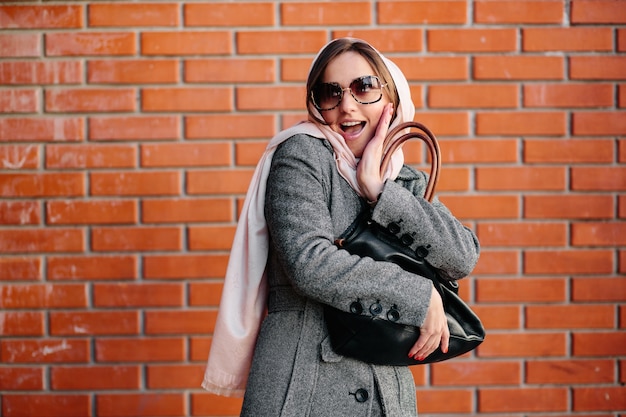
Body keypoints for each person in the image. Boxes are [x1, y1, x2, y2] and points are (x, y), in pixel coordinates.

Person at [202, 37, 480, 416]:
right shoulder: (301, 154)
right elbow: (309, 262)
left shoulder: (403, 181)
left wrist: (381, 192)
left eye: (364, 88)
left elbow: (462, 257)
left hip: (386, 394)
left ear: (391, 100)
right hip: (303, 385)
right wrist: (420, 295)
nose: (346, 105)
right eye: (329, 93)